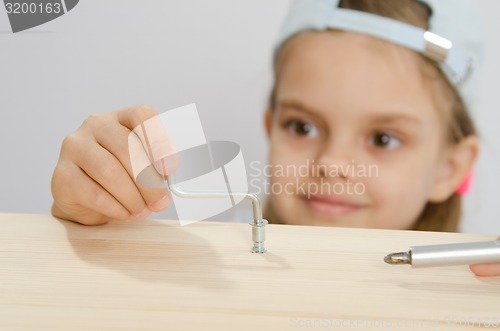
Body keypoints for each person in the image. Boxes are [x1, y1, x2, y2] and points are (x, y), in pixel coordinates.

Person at [50, 0, 500, 276]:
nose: (333, 164)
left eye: (383, 139)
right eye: (302, 127)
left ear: (450, 168)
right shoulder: (202, 268)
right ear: (271, 126)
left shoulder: (480, 301)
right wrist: (89, 221)